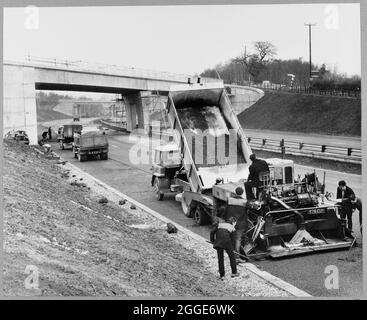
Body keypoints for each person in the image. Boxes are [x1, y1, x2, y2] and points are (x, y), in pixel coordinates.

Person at [226, 187, 248, 261]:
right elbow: (247, 211)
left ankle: (230, 253)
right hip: (240, 223)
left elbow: (226, 210)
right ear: (242, 193)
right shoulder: (244, 202)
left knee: (231, 238)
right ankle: (237, 257)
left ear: (235, 192)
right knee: (238, 239)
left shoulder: (230, 200)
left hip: (231, 222)